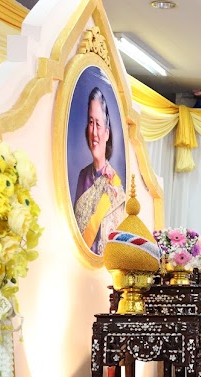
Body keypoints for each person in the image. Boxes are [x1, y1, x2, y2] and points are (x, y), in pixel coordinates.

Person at [73, 86, 126, 255]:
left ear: (107, 133)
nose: (94, 132)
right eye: (91, 123)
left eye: (98, 124)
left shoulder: (115, 185)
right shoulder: (82, 176)